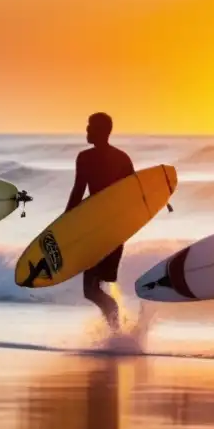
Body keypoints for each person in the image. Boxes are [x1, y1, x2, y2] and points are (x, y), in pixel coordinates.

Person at [65, 112, 135, 331]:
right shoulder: (122, 157)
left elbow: (78, 193)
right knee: (94, 287)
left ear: (101, 131)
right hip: (114, 231)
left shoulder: (85, 158)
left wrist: (66, 223)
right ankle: (117, 330)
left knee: (91, 288)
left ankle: (116, 328)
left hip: (96, 231)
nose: (86, 131)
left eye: (90, 127)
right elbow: (134, 195)